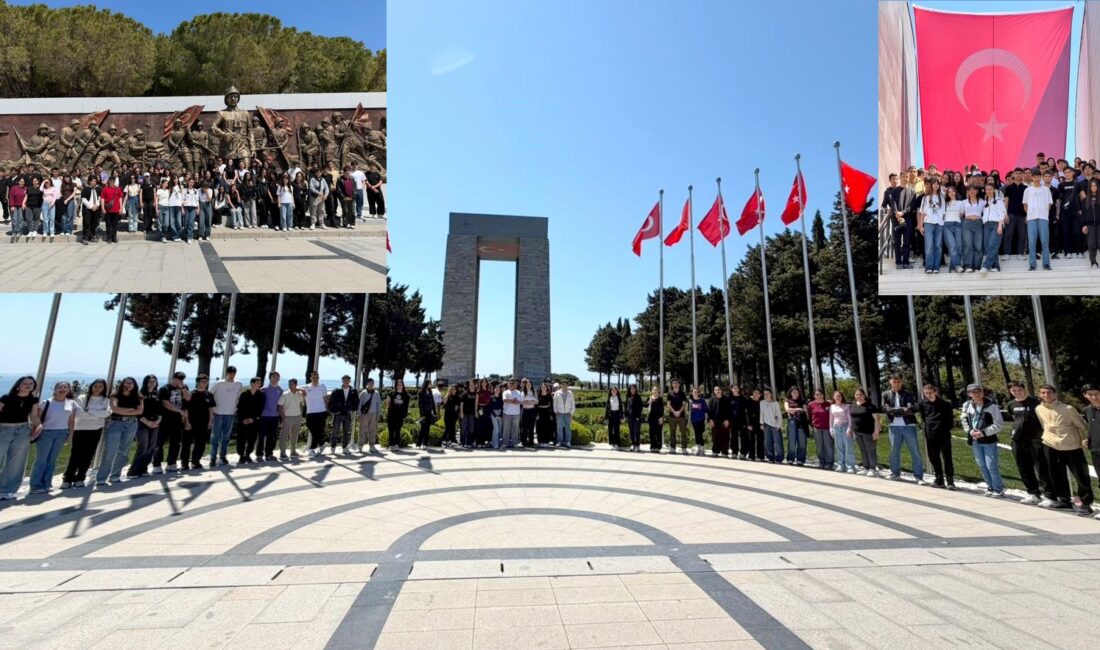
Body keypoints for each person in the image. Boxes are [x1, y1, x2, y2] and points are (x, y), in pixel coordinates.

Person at [1036, 384, 1093, 515]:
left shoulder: (1068, 409)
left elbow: (1082, 425)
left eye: (1049, 392)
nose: (1046, 395)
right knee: (1056, 475)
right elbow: (1043, 424)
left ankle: (1086, 503)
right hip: (1050, 445)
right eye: (1043, 393)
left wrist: (1085, 439)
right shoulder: (1039, 409)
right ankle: (1064, 500)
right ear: (1040, 395)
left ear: (1054, 394)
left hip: (1071, 446)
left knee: (1081, 476)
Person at [1006, 381, 1054, 505]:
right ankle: (1033, 493)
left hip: (1036, 440)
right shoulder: (1011, 404)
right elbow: (1014, 418)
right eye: (1014, 391)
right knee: (1024, 467)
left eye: (1019, 389)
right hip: (1018, 440)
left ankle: (1049, 495)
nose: (1017, 392)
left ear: (1024, 389)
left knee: (1041, 468)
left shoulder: (1036, 402)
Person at [30, 382, 78, 494]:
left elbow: (71, 421)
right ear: (55, 389)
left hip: (61, 433)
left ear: (69, 390)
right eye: (59, 387)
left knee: (52, 460)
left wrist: (70, 435)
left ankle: (47, 483)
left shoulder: (72, 404)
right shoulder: (46, 403)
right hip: (46, 433)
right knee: (41, 460)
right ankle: (35, 485)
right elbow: (38, 418)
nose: (62, 389)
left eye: (65, 387)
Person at [94, 377, 142, 486]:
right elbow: (114, 409)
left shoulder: (138, 396)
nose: (128, 385)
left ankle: (115, 475)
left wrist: (125, 411)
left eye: (131, 383)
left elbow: (140, 411)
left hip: (131, 424)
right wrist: (131, 410)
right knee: (110, 451)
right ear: (122, 384)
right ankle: (101, 477)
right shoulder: (115, 395)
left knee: (124, 450)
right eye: (126, 383)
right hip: (115, 423)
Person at [961, 384, 1005, 497]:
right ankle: (990, 486)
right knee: (981, 465)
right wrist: (970, 431)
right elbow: (964, 419)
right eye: (973, 392)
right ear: (969, 394)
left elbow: (999, 424)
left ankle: (998, 489)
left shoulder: (992, 406)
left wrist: (984, 432)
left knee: (991, 465)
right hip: (975, 440)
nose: (977, 394)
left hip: (988, 440)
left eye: (979, 391)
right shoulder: (967, 405)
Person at [0, 377, 40, 499]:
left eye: (31, 383)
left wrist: (39, 425)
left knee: (17, 462)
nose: (28, 385)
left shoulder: (33, 399)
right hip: (4, 429)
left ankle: (7, 490)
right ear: (18, 385)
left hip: (23, 431)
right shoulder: (6, 397)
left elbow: (33, 415)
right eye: (25, 383)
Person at [64, 379, 109, 487]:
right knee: (75, 454)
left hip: (96, 429)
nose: (97, 388)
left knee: (88, 455)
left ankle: (80, 477)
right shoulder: (82, 398)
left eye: (100, 386)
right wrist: (97, 415)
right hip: (80, 428)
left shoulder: (105, 400)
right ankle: (68, 479)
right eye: (96, 386)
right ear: (91, 386)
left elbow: (107, 413)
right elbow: (79, 413)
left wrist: (88, 410)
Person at [882, 375, 925, 484]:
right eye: (894, 381)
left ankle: (918, 476)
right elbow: (885, 408)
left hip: (908, 425)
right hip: (893, 426)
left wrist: (897, 411)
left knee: (914, 451)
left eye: (898, 381)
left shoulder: (908, 393)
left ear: (901, 382)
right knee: (894, 451)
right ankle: (895, 473)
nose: (896, 383)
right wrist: (901, 410)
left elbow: (913, 408)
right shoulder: (885, 394)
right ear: (890, 381)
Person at [918, 384, 956, 489]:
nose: (928, 395)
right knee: (933, 457)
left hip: (943, 434)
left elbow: (950, 421)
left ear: (935, 392)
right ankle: (939, 478)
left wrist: (945, 429)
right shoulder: (922, 404)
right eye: (926, 393)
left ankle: (950, 480)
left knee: (947, 458)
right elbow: (924, 418)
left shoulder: (945, 404)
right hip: (930, 435)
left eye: (930, 393)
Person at [154, 372, 190, 474]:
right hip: (165, 420)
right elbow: (166, 404)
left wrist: (182, 388)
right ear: (173, 378)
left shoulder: (183, 388)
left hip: (177, 421)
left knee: (175, 443)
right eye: (178, 378)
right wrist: (179, 411)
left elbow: (188, 398)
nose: (179, 381)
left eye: (181, 379)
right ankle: (157, 464)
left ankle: (171, 463)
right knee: (159, 443)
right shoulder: (165, 389)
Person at [128, 376, 161, 479]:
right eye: (149, 381)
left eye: (154, 381)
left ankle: (144, 468)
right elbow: (137, 412)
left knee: (151, 447)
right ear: (145, 382)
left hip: (155, 423)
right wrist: (147, 422)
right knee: (143, 447)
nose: (152, 383)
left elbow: (160, 410)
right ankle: (133, 470)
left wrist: (158, 421)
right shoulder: (140, 395)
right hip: (142, 424)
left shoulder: (156, 394)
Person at [210, 368, 243, 467]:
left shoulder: (238, 384)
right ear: (226, 373)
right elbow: (210, 393)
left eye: (233, 373)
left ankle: (223, 456)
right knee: (215, 436)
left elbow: (238, 397)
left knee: (226, 437)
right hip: (218, 413)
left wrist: (236, 408)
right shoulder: (219, 383)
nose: (232, 374)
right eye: (230, 373)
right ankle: (213, 457)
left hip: (230, 413)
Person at [181, 375, 214, 470]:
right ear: (198, 382)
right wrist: (187, 422)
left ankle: (195, 461)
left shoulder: (209, 395)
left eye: (206, 381)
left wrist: (210, 420)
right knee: (186, 444)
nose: (204, 383)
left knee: (201, 444)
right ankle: (184, 463)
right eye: (202, 381)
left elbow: (210, 408)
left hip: (203, 423)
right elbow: (185, 409)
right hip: (190, 423)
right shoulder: (191, 394)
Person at [1023, 170, 1053, 270]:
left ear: (1040, 177)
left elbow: (1049, 203)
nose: (1036, 178)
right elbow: (1025, 204)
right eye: (1034, 177)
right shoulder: (1027, 190)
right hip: (1031, 218)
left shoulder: (1046, 189)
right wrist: (1029, 213)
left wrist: (1045, 211)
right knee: (1032, 242)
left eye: (1038, 176)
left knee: (1045, 241)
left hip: (1043, 218)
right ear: (1032, 177)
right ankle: (1032, 264)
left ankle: (1046, 264)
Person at [849, 388, 881, 477]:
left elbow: (877, 419)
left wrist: (876, 431)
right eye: (857, 395)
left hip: (868, 432)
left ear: (864, 396)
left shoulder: (870, 406)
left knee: (871, 450)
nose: (858, 396)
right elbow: (852, 419)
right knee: (863, 450)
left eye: (860, 395)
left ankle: (872, 468)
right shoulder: (853, 405)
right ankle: (866, 468)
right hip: (857, 432)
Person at [917, 179, 944, 273]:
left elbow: (944, 213)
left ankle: (936, 267)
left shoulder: (942, 197)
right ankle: (929, 267)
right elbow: (921, 213)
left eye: (938, 184)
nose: (936, 186)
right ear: (931, 185)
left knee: (938, 246)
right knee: (929, 246)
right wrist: (920, 226)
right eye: (934, 184)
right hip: (928, 223)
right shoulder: (926, 197)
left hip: (939, 224)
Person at [327, 375, 358, 455]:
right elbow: (331, 402)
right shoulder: (337, 391)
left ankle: (345, 448)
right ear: (342, 381)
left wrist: (353, 410)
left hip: (347, 414)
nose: (346, 381)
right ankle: (333, 448)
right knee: (335, 431)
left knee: (346, 432)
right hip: (338, 414)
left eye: (347, 380)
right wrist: (334, 411)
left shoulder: (353, 391)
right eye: (344, 380)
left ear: (349, 381)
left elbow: (356, 401)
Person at [235, 378, 264, 464]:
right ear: (252, 383)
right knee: (241, 439)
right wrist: (243, 419)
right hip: (243, 420)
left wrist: (253, 418)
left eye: (260, 382)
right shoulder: (244, 394)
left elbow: (260, 408)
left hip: (254, 420)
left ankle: (247, 454)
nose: (259, 384)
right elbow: (239, 407)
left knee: (252, 439)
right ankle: (241, 455)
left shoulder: (261, 395)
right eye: (257, 382)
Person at [256, 372, 284, 461]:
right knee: (261, 436)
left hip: (275, 416)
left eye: (277, 377)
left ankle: (269, 454)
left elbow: (281, 404)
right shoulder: (263, 390)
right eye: (274, 376)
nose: (275, 378)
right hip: (264, 416)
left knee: (272, 436)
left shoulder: (280, 390)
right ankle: (259, 454)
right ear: (270, 378)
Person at [1082, 384, 1100, 519]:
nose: (1094, 397)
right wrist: (1088, 439)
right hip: (1096, 450)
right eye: (1090, 394)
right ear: (1085, 395)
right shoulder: (1087, 410)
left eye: (1097, 393)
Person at [980, 184, 1006, 273]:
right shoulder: (985, 202)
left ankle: (986, 266)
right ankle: (996, 266)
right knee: (988, 246)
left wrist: (1000, 225)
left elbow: (1002, 213)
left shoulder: (998, 200)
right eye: (986, 189)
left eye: (990, 189)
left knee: (992, 245)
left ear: (993, 190)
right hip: (986, 225)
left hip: (996, 224)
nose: (988, 191)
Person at [277, 378, 305, 459]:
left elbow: (302, 401)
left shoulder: (299, 394)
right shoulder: (285, 394)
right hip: (287, 417)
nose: (290, 385)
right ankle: (282, 452)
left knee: (295, 435)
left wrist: (301, 415)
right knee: (284, 435)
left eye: (292, 384)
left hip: (297, 416)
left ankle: (293, 451)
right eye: (289, 384)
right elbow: (280, 407)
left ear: (296, 384)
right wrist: (283, 417)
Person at [303, 372, 329, 456]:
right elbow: (294, 389)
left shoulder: (322, 386)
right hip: (310, 413)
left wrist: (328, 409)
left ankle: (312, 449)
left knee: (319, 431)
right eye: (313, 377)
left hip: (322, 412)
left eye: (317, 377)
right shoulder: (306, 387)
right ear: (310, 378)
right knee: (313, 430)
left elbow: (325, 398)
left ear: (318, 377)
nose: (315, 379)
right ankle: (322, 444)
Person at [829, 391, 855, 473]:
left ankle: (850, 466)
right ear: (833, 397)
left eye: (839, 396)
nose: (837, 397)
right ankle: (840, 465)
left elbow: (850, 418)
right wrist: (831, 428)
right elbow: (831, 418)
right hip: (836, 427)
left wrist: (849, 428)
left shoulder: (846, 406)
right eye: (836, 396)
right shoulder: (832, 406)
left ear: (842, 397)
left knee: (848, 447)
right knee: (839, 447)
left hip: (845, 427)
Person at [807, 389, 833, 470]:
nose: (819, 396)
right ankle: (821, 461)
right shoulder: (811, 405)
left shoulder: (828, 404)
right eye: (817, 395)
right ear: (814, 396)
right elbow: (810, 416)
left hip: (827, 428)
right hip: (817, 428)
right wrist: (813, 425)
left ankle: (829, 462)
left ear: (823, 395)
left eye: (820, 394)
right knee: (819, 446)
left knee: (828, 446)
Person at [356, 378, 381, 454]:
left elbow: (378, 404)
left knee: (373, 430)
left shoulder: (376, 393)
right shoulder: (363, 393)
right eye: (370, 383)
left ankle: (372, 446)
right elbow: (359, 404)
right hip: (364, 415)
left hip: (374, 414)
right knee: (362, 430)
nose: (371, 384)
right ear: (367, 384)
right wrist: (359, 414)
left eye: (372, 383)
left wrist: (379, 414)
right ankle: (360, 446)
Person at [707, 385, 732, 457]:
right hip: (715, 421)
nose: (717, 391)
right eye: (716, 390)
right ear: (714, 391)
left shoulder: (726, 400)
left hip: (724, 421)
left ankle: (724, 451)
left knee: (725, 437)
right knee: (715, 436)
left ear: (721, 391)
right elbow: (709, 411)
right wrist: (710, 420)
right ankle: (715, 451)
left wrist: (727, 420)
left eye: (719, 389)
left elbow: (729, 411)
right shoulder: (711, 400)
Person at [664, 379, 689, 453]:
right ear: (672, 385)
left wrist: (679, 412)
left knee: (683, 432)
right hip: (672, 416)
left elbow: (684, 404)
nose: (675, 384)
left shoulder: (683, 394)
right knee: (672, 432)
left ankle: (684, 448)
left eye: (676, 383)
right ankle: (672, 447)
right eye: (673, 383)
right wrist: (674, 412)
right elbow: (668, 404)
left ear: (679, 384)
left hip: (682, 416)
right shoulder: (670, 394)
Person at [385, 379, 410, 450]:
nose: (399, 386)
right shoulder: (391, 394)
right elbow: (387, 404)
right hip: (391, 415)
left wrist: (405, 414)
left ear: (403, 385)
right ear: (396, 386)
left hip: (400, 416)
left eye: (401, 384)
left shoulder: (406, 395)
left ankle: (396, 444)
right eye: (398, 384)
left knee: (398, 430)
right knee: (391, 430)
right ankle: (391, 444)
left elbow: (406, 406)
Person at [1082, 178, 1100, 268]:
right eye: (1091, 186)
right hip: (1089, 225)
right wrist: (1083, 225)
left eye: (1095, 185)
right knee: (1091, 243)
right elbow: (1083, 214)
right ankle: (1093, 262)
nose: (1093, 187)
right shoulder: (1085, 200)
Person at [760, 389, 782, 462]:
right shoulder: (762, 403)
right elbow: (761, 413)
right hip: (766, 425)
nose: (766, 395)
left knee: (777, 442)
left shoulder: (775, 403)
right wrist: (761, 423)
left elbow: (779, 415)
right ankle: (770, 457)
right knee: (768, 442)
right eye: (765, 394)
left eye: (768, 393)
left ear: (771, 394)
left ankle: (779, 457)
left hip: (775, 425)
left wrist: (779, 425)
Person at [100, 177, 124, 243]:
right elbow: (102, 199)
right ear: (109, 181)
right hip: (108, 210)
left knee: (115, 225)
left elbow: (120, 199)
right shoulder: (105, 189)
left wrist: (121, 208)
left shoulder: (118, 189)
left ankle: (114, 237)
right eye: (111, 181)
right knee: (108, 225)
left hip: (116, 209)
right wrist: (102, 208)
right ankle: (109, 237)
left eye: (113, 181)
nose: (112, 182)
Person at [729, 386, 750, 459]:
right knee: (733, 437)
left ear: (739, 390)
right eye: (734, 388)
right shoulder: (729, 399)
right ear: (731, 389)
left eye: (737, 388)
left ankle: (743, 453)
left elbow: (748, 409)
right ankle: (734, 452)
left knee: (744, 437)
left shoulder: (743, 399)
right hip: (733, 421)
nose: (735, 390)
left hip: (742, 420)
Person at [553, 381, 576, 448]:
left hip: (567, 413)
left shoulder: (570, 393)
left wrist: (571, 412)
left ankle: (568, 441)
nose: (564, 385)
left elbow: (573, 403)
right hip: (559, 413)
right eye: (562, 384)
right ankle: (560, 441)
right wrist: (556, 411)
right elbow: (555, 403)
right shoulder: (557, 393)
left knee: (568, 428)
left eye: (565, 384)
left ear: (567, 385)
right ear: (560, 385)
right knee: (559, 428)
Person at [501, 379, 522, 449]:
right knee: (506, 430)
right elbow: (504, 400)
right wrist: (513, 400)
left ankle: (515, 443)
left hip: (516, 413)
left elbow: (519, 401)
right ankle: (505, 443)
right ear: (508, 384)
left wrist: (509, 400)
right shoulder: (505, 392)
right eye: (510, 383)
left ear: (515, 384)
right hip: (507, 413)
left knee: (515, 430)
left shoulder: (518, 392)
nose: (511, 384)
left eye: (513, 383)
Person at [416, 379, 437, 449]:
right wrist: (422, 415)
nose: (431, 385)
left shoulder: (430, 391)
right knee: (423, 429)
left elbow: (433, 402)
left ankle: (425, 443)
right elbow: (420, 404)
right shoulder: (421, 392)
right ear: (427, 384)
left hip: (429, 412)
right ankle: (419, 443)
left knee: (427, 429)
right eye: (430, 383)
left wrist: (434, 411)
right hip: (424, 413)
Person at [80, 176, 102, 244]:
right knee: (87, 223)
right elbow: (84, 199)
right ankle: (85, 237)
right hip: (87, 209)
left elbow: (100, 198)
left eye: (95, 181)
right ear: (89, 181)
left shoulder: (98, 189)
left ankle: (92, 235)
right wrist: (91, 207)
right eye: (92, 181)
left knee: (95, 222)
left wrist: (96, 205)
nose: (94, 182)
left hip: (96, 208)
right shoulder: (86, 189)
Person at [688, 388, 708, 455]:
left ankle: (702, 450)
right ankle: (698, 449)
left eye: (697, 392)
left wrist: (705, 420)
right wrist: (689, 421)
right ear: (692, 393)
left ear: (699, 393)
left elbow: (705, 411)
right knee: (696, 435)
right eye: (694, 392)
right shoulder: (690, 401)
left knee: (700, 434)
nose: (696, 393)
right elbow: (690, 412)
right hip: (694, 421)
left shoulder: (702, 401)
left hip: (701, 420)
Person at [536, 382, 556, 447]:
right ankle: (540, 441)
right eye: (542, 387)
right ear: (540, 388)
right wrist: (536, 414)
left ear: (547, 388)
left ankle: (546, 441)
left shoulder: (549, 395)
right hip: (540, 413)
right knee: (540, 427)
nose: (543, 388)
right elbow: (536, 406)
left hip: (547, 413)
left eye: (544, 387)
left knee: (547, 427)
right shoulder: (538, 395)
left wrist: (551, 415)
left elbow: (551, 406)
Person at [624, 384, 643, 452]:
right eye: (631, 389)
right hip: (630, 417)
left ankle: (637, 445)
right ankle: (632, 444)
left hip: (636, 417)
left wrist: (638, 416)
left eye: (633, 388)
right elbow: (626, 406)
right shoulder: (628, 397)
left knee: (637, 431)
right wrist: (626, 415)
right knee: (631, 431)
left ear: (635, 389)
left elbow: (640, 407)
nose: (632, 390)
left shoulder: (638, 397)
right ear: (629, 389)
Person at [520, 378, 538, 447]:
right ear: (525, 385)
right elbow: (521, 402)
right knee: (524, 427)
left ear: (531, 385)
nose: (528, 385)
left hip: (532, 411)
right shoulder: (522, 392)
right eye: (527, 384)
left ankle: (531, 441)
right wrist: (530, 401)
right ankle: (524, 441)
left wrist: (529, 402)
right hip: (525, 411)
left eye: (529, 384)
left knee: (531, 427)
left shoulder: (534, 392)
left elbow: (536, 401)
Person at [460, 379, 477, 448]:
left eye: (473, 385)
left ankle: (469, 442)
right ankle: (463, 442)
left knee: (471, 428)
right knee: (464, 428)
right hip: (465, 413)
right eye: (470, 385)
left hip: (472, 413)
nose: (472, 386)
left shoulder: (476, 393)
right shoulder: (465, 393)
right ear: (468, 386)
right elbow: (461, 404)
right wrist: (461, 412)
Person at [646, 386, 664, 453]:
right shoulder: (649, 398)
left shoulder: (660, 399)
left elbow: (662, 409)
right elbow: (645, 405)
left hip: (658, 418)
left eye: (656, 389)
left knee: (658, 432)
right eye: (654, 389)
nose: (655, 391)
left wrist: (661, 417)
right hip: (651, 418)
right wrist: (648, 402)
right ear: (652, 391)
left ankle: (658, 447)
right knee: (652, 433)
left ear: (658, 391)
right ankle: (652, 446)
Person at [489, 384, 504, 449]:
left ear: (500, 390)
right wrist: (495, 415)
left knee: (499, 430)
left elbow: (502, 407)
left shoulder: (501, 398)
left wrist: (500, 414)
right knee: (496, 429)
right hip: (493, 414)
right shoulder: (491, 397)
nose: (497, 390)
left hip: (500, 414)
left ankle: (497, 442)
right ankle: (495, 444)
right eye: (496, 388)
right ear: (494, 390)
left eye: (498, 389)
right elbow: (490, 407)